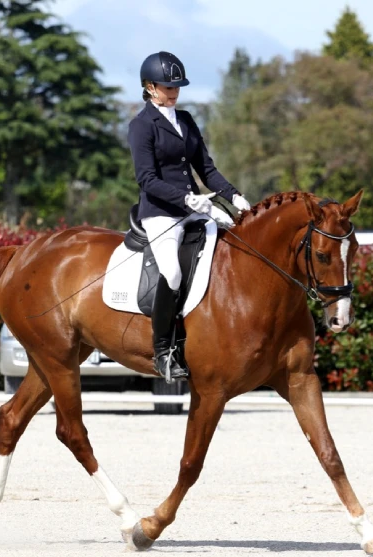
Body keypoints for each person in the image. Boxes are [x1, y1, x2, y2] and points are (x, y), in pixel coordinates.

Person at [128, 51, 251, 382]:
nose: (173, 93)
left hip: (195, 208)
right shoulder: (141, 126)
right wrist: (186, 199)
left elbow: (206, 169)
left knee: (231, 250)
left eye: (177, 87)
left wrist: (234, 196)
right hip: (161, 214)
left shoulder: (186, 121)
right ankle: (163, 351)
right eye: (167, 87)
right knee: (172, 273)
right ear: (150, 87)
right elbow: (147, 180)